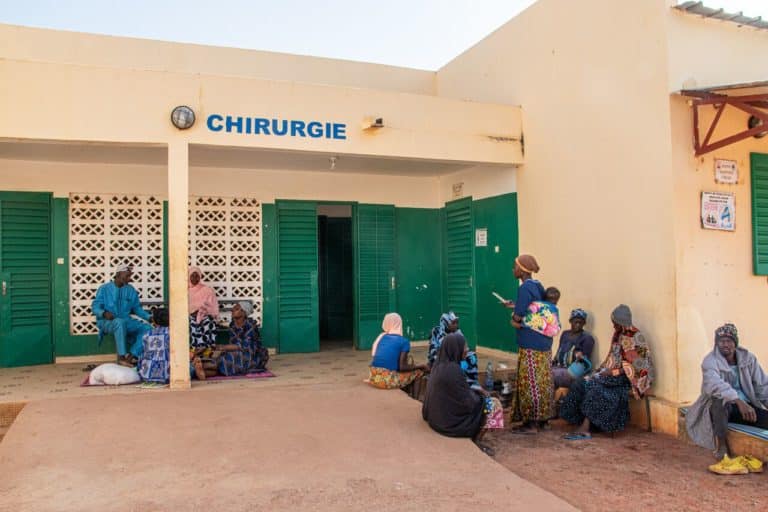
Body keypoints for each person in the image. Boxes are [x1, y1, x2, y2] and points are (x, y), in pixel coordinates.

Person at [560, 304, 654, 440]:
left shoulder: (635, 337)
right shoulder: (618, 335)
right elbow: (612, 358)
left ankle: (585, 428)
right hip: (612, 374)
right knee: (582, 382)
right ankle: (579, 420)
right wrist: (600, 371)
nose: (614, 326)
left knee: (595, 387)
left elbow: (635, 368)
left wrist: (611, 373)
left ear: (621, 322)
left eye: (615, 323)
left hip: (629, 379)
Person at [685, 323, 768, 475]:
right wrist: (738, 401)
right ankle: (722, 447)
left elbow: (762, 386)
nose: (725, 344)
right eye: (721, 341)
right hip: (719, 408)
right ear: (716, 343)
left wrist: (750, 404)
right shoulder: (710, 361)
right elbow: (715, 385)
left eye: (729, 341)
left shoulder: (748, 359)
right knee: (719, 402)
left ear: (735, 342)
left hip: (745, 408)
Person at [422, 333, 504, 455]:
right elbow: (470, 403)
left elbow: (456, 393)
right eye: (464, 346)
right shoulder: (454, 370)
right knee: (493, 404)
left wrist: (475, 391)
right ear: (456, 349)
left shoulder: (438, 365)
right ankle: (476, 440)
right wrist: (482, 396)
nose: (466, 350)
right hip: (448, 425)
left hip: (436, 419)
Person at [506, 254, 555, 433]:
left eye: (515, 266)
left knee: (530, 382)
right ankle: (543, 420)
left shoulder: (524, 288)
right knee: (542, 381)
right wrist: (515, 305)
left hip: (530, 343)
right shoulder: (537, 286)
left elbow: (519, 316)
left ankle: (531, 423)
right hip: (543, 341)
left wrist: (514, 319)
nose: (513, 269)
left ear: (522, 269)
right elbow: (536, 309)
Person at [92, 265, 151, 367]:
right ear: (118, 274)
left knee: (148, 329)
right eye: (127, 276)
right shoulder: (104, 289)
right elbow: (95, 307)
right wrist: (104, 313)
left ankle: (129, 358)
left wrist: (149, 317)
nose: (129, 278)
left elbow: (137, 308)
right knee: (119, 322)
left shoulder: (130, 290)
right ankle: (121, 357)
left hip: (126, 320)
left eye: (130, 276)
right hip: (107, 322)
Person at [368, 312, 429, 389]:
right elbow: (402, 367)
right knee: (418, 372)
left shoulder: (382, 337)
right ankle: (414, 398)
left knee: (406, 368)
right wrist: (421, 366)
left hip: (374, 377)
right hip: (386, 381)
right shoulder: (404, 341)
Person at [427, 312, 479, 387]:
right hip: (440, 359)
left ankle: (471, 382)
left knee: (472, 357)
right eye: (453, 323)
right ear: (445, 323)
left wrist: (461, 358)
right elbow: (433, 352)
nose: (456, 325)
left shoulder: (458, 332)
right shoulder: (436, 332)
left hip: (455, 357)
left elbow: (463, 347)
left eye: (456, 323)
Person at [217, 301, 269, 376]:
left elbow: (244, 346)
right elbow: (233, 343)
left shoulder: (250, 325)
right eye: (233, 308)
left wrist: (223, 347)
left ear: (244, 313)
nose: (233, 310)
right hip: (237, 351)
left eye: (236, 309)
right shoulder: (232, 325)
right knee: (220, 356)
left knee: (227, 359)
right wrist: (223, 349)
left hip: (253, 354)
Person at [552, 309, 595, 389]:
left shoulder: (587, 338)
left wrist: (580, 356)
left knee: (550, 375)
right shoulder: (565, 334)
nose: (578, 325)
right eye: (576, 322)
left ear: (584, 323)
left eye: (581, 323)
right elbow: (559, 350)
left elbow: (584, 364)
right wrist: (553, 362)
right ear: (570, 321)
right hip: (558, 367)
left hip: (572, 372)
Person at [188, 267, 220, 350]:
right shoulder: (185, 291)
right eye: (192, 276)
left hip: (205, 315)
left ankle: (207, 350)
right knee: (191, 324)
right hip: (189, 316)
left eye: (197, 276)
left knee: (209, 323)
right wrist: (192, 313)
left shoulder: (207, 290)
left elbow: (213, 306)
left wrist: (202, 311)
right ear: (188, 276)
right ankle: (193, 350)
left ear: (200, 277)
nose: (195, 278)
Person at [137, 307, 170, 383]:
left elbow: (142, 355)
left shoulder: (147, 335)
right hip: (168, 376)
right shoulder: (172, 333)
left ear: (154, 321)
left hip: (147, 375)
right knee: (190, 368)